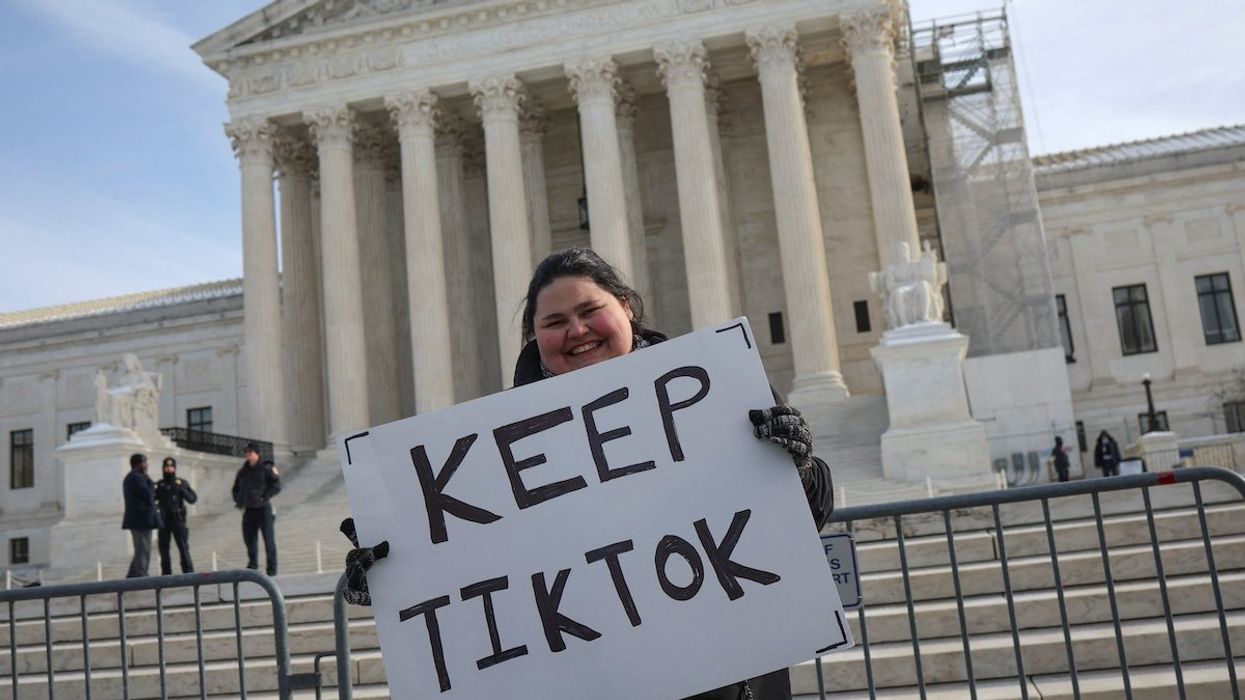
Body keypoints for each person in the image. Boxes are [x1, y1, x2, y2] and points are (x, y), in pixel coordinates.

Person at [342, 248, 835, 700]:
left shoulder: (716, 391)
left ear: (626, 307)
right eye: (555, 322)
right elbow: (484, 576)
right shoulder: (490, 458)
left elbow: (810, 514)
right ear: (536, 337)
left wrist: (797, 463)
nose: (577, 331)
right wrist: (394, 579)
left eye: (589, 311)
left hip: (726, 681)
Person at [232, 442, 281, 576]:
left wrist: (264, 497)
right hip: (249, 509)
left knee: (268, 540)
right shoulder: (243, 471)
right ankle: (252, 565)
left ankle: (271, 569)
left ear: (257, 454)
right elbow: (235, 489)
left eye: (251, 452)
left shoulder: (266, 467)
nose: (248, 454)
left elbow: (276, 485)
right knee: (249, 539)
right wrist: (239, 500)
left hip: (263, 509)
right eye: (247, 452)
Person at [155, 456, 198, 575]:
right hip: (164, 521)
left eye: (171, 467)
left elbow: (192, 499)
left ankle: (188, 571)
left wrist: (183, 490)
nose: (169, 469)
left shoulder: (181, 483)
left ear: (175, 468)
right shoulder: (160, 485)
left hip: (178, 520)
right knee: (164, 549)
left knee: (183, 547)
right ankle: (166, 573)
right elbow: (152, 499)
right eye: (167, 467)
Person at [121, 453, 161, 578]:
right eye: (144, 462)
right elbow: (148, 494)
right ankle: (141, 576)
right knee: (143, 550)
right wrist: (150, 482)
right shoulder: (137, 478)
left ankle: (132, 575)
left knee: (141, 549)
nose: (146, 465)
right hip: (141, 520)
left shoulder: (133, 477)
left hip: (140, 519)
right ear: (138, 464)